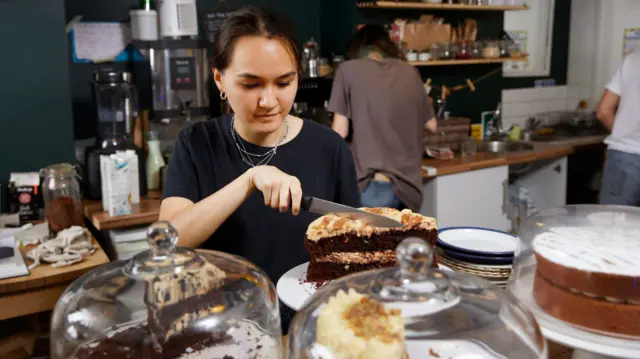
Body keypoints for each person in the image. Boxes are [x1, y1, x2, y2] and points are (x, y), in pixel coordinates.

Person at [159, 6, 360, 308]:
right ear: (219, 80)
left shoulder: (330, 148)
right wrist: (249, 180)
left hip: (306, 325)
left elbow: (353, 249)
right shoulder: (196, 144)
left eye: (283, 83)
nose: (268, 101)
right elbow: (169, 240)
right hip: (225, 328)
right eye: (251, 84)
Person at [329, 24, 438, 212]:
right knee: (401, 242)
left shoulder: (347, 70)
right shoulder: (409, 71)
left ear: (356, 50)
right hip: (409, 189)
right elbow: (432, 125)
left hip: (370, 187)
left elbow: (339, 133)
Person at [596, 51, 640, 205]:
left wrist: (625, 133)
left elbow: (603, 112)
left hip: (622, 157)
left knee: (611, 224)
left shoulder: (633, 59)